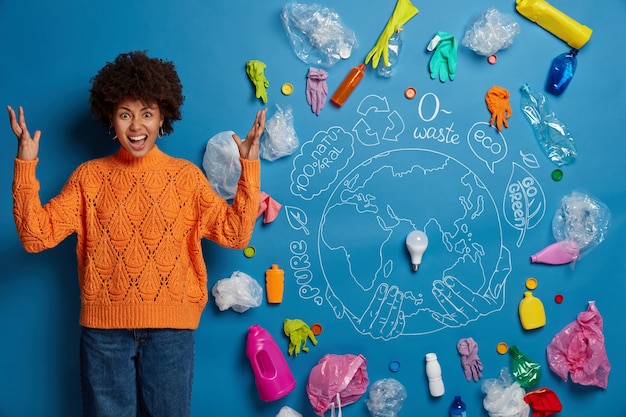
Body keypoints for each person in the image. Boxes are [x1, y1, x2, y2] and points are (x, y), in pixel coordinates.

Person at [8, 50, 267, 417]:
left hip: (171, 331)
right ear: (111, 120)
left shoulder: (186, 178)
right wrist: (26, 164)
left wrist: (250, 165)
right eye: (125, 114)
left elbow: (236, 234)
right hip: (103, 334)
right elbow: (35, 236)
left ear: (163, 118)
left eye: (146, 114)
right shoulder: (88, 178)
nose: (136, 126)